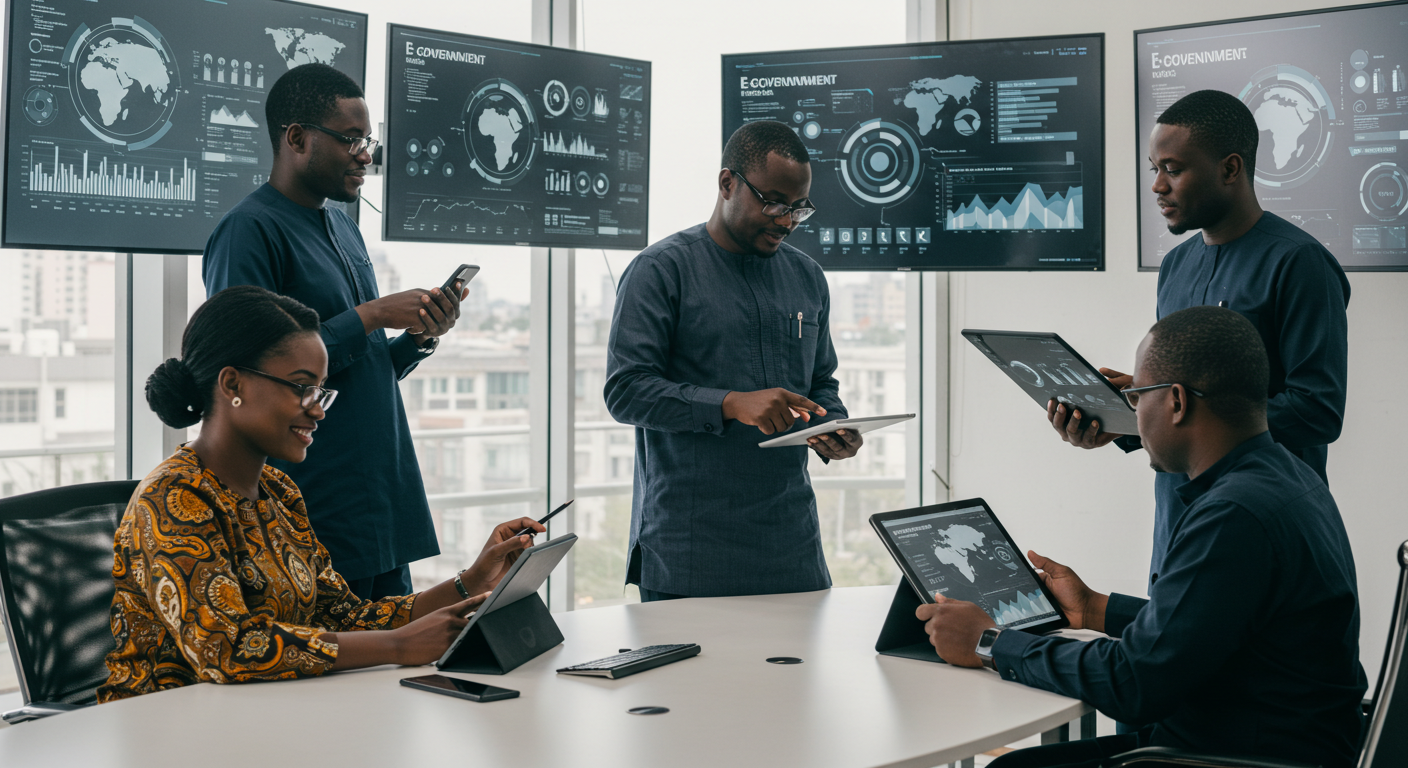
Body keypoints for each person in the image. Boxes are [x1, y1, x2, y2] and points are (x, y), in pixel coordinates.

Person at [924, 306, 1366, 768]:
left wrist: (990, 642)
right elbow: (1209, 625)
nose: (1132, 415)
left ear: (1176, 401)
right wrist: (1093, 607)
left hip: (1237, 754)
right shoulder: (1287, 478)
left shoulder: (1232, 514)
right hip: (1284, 741)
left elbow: (1132, 685)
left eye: (1136, 397)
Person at [98, 286, 544, 701]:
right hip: (165, 730)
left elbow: (346, 616)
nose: (317, 409)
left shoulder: (278, 491)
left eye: (320, 391)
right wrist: (396, 646)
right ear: (233, 385)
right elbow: (226, 649)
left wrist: (471, 580)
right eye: (301, 387)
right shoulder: (175, 497)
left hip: (265, 717)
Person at [1048, 89, 1350, 590]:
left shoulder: (1299, 264)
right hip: (1179, 524)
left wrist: (1180, 406)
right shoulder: (1176, 265)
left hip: (1259, 522)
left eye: (1173, 168)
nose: (1157, 186)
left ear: (1230, 169)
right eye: (1154, 169)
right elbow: (1181, 403)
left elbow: (1318, 410)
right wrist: (1126, 415)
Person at [203, 63, 464, 600]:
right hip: (317, 510)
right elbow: (248, 374)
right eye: (350, 140)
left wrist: (416, 340)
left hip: (384, 505)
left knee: (398, 673)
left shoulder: (344, 226)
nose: (365, 155)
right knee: (329, 675)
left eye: (367, 140)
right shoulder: (248, 232)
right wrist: (370, 316)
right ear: (296, 138)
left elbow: (354, 369)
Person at [604, 120, 863, 600]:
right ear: (727, 184)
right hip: (690, 552)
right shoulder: (659, 271)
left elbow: (822, 382)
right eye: (774, 203)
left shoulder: (807, 277)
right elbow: (625, 391)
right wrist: (730, 403)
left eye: (798, 208)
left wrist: (833, 426)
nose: (786, 221)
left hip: (793, 549)